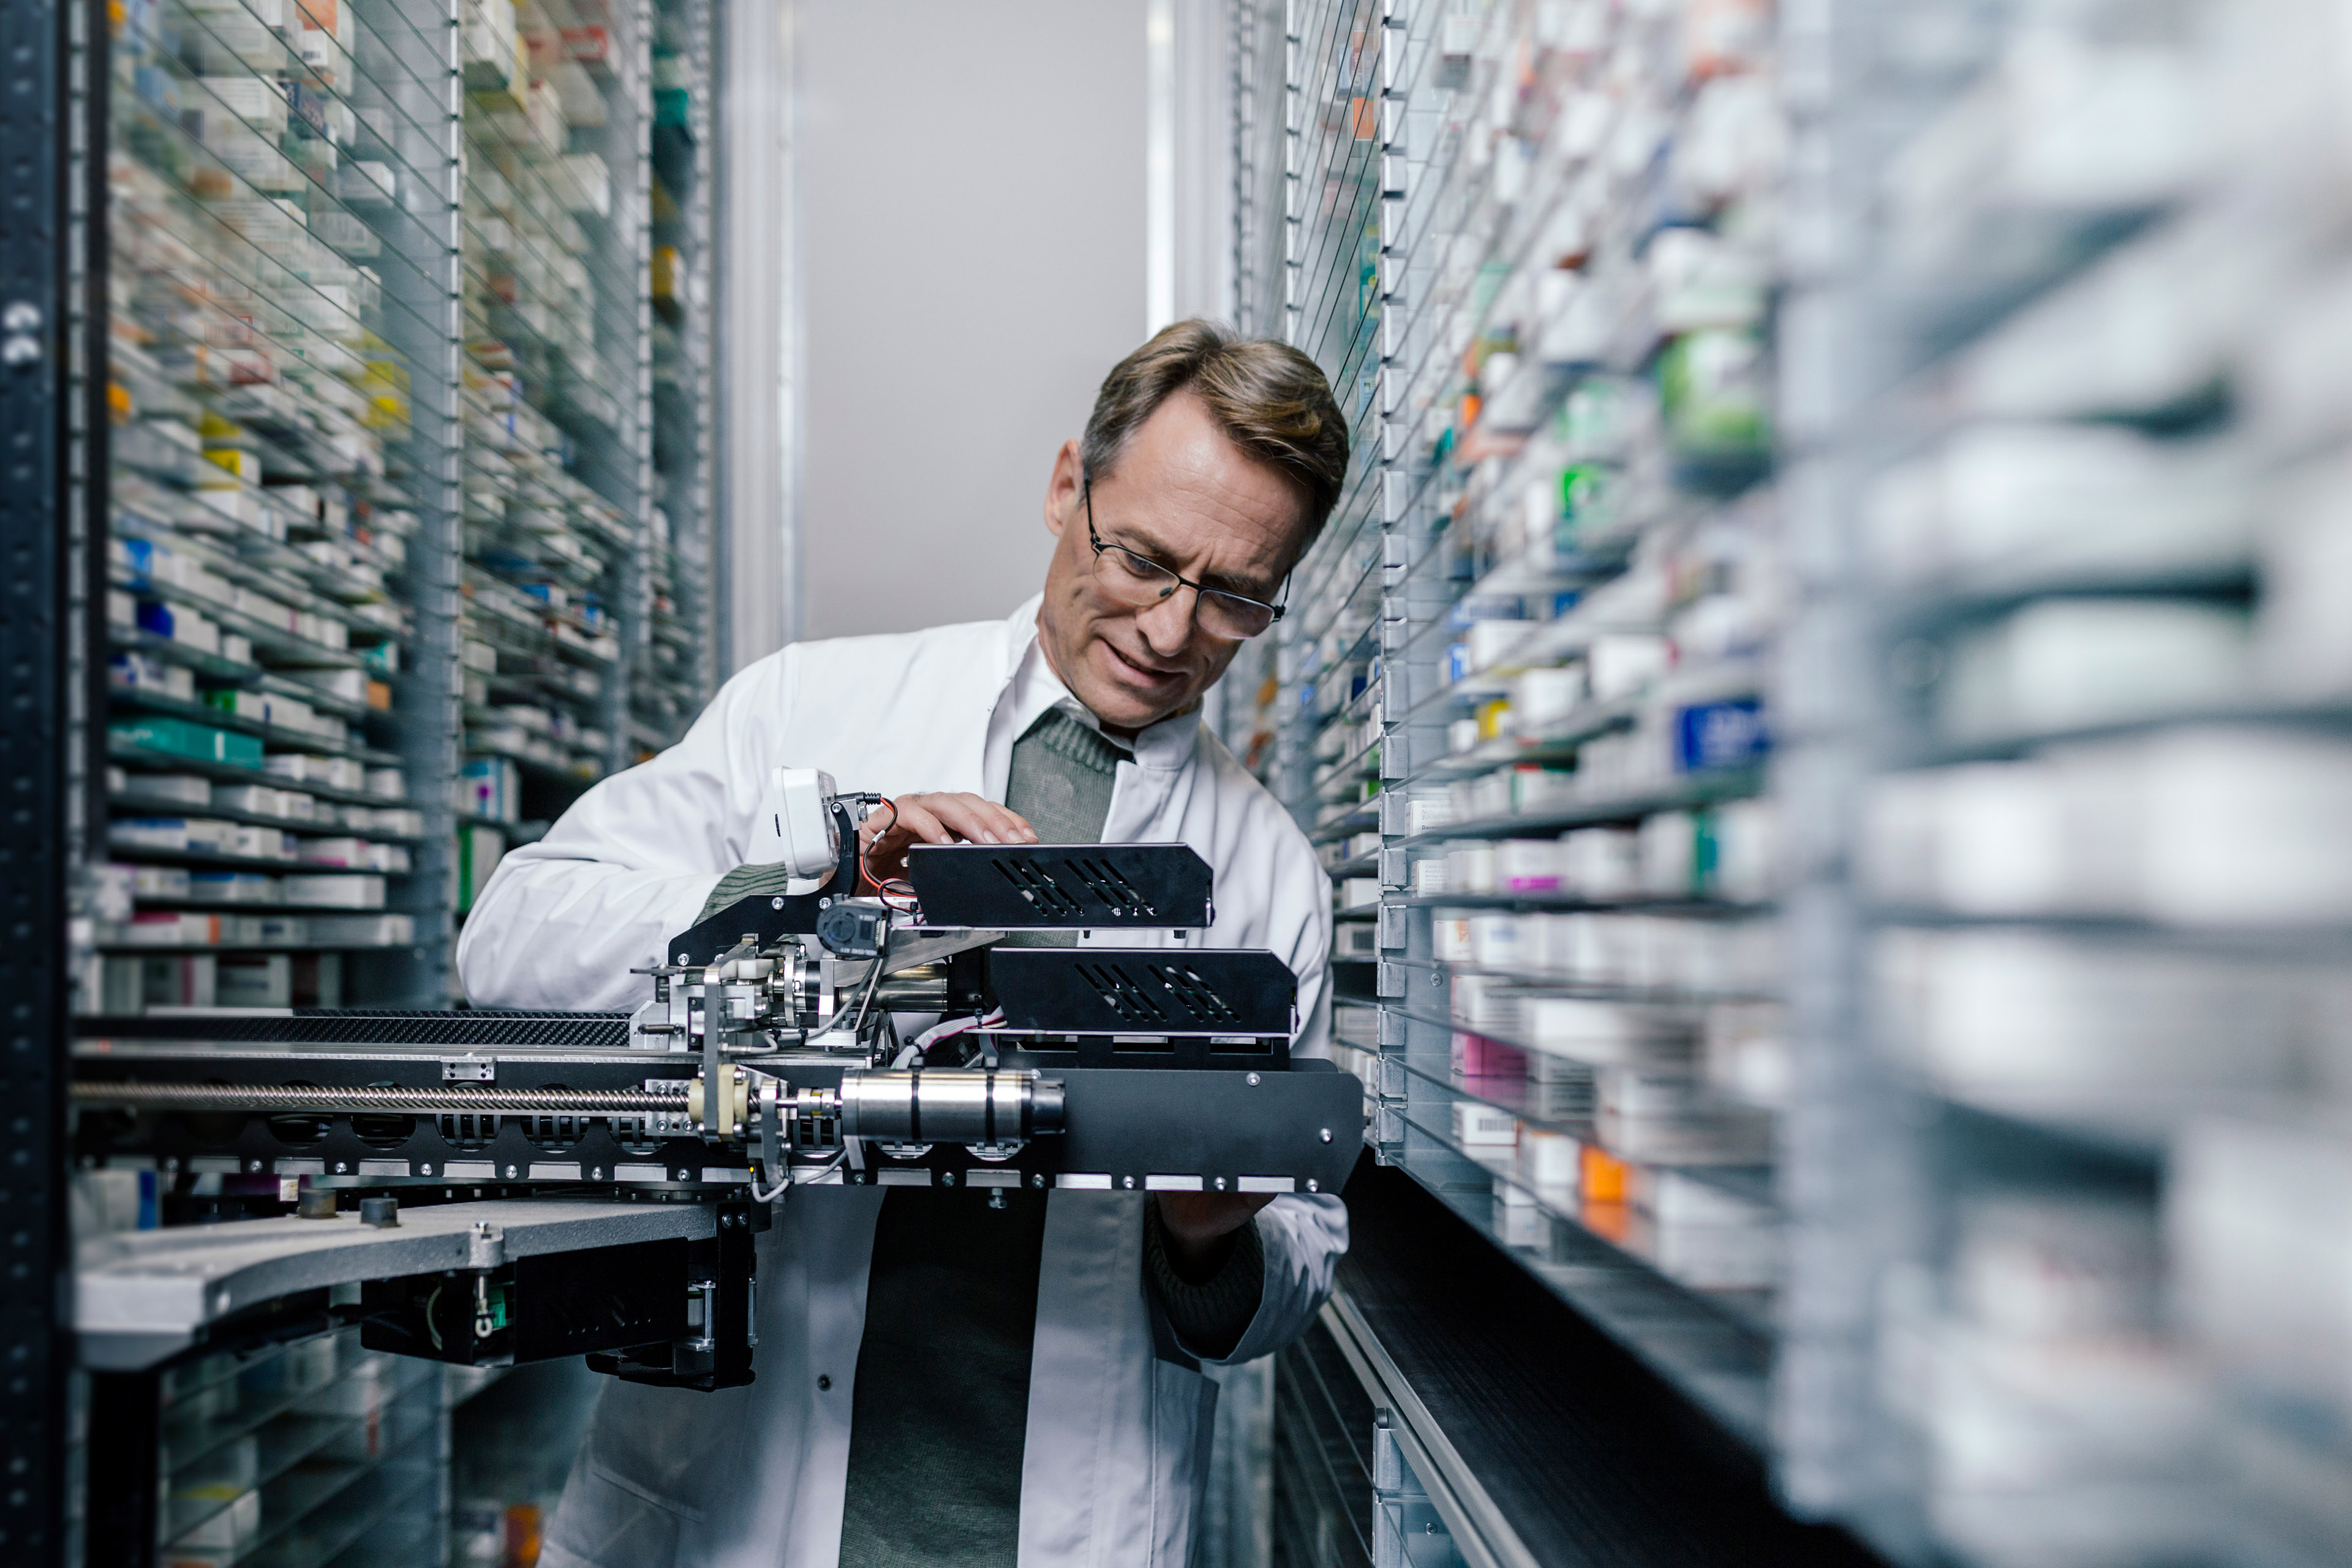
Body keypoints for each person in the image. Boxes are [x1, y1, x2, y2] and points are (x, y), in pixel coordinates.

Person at [456, 319, 1351, 1568]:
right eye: (1144, 558)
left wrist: (1208, 1232)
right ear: (1063, 489)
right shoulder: (808, 706)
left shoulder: (1273, 879)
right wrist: (808, 895)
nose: (1168, 629)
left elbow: (1286, 1272)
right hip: (731, 1508)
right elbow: (508, 937)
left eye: (1236, 596)